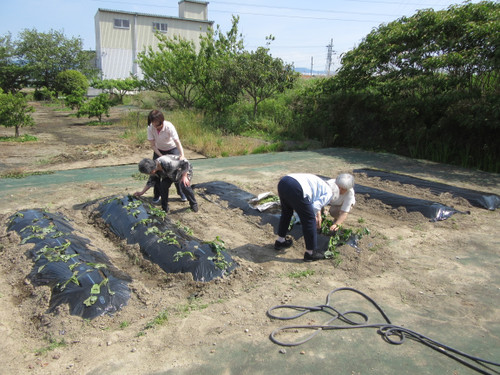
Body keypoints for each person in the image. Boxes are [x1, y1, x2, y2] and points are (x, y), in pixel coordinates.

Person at [274, 173, 336, 262]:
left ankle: (280, 241)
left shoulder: (320, 185)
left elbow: (312, 203)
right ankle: (310, 253)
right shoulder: (329, 193)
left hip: (284, 181)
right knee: (309, 219)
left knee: (286, 213)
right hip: (296, 186)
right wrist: (313, 216)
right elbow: (314, 207)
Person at [147, 109, 187, 204]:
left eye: (158, 125)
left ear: (162, 121)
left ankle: (181, 193)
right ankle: (157, 195)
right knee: (156, 173)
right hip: (159, 150)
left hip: (172, 149)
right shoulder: (150, 128)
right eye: (153, 124)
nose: (156, 127)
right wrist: (161, 156)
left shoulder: (169, 126)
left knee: (176, 172)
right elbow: (152, 145)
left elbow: (177, 141)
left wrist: (182, 154)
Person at [134, 155, 198, 213]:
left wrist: (184, 176)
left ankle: (193, 204)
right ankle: (165, 208)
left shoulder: (168, 162)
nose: (150, 174)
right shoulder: (154, 169)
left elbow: (185, 163)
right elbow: (150, 182)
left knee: (184, 185)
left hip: (183, 170)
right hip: (169, 174)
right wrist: (141, 192)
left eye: (149, 173)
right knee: (163, 186)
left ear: (152, 170)